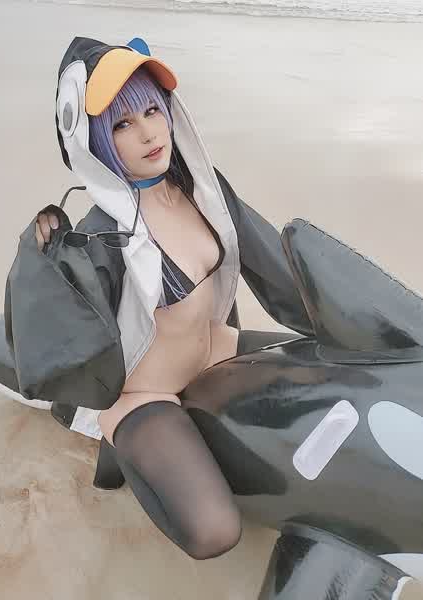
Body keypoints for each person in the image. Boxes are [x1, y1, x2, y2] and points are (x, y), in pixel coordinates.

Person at [35, 35, 313, 560]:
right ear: (90, 140)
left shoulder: (203, 189)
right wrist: (48, 253)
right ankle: (122, 449)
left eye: (151, 111)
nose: (148, 133)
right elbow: (57, 332)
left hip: (214, 350)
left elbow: (278, 270)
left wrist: (337, 326)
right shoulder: (99, 235)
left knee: (325, 371)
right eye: (121, 124)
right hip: (145, 393)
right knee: (214, 532)